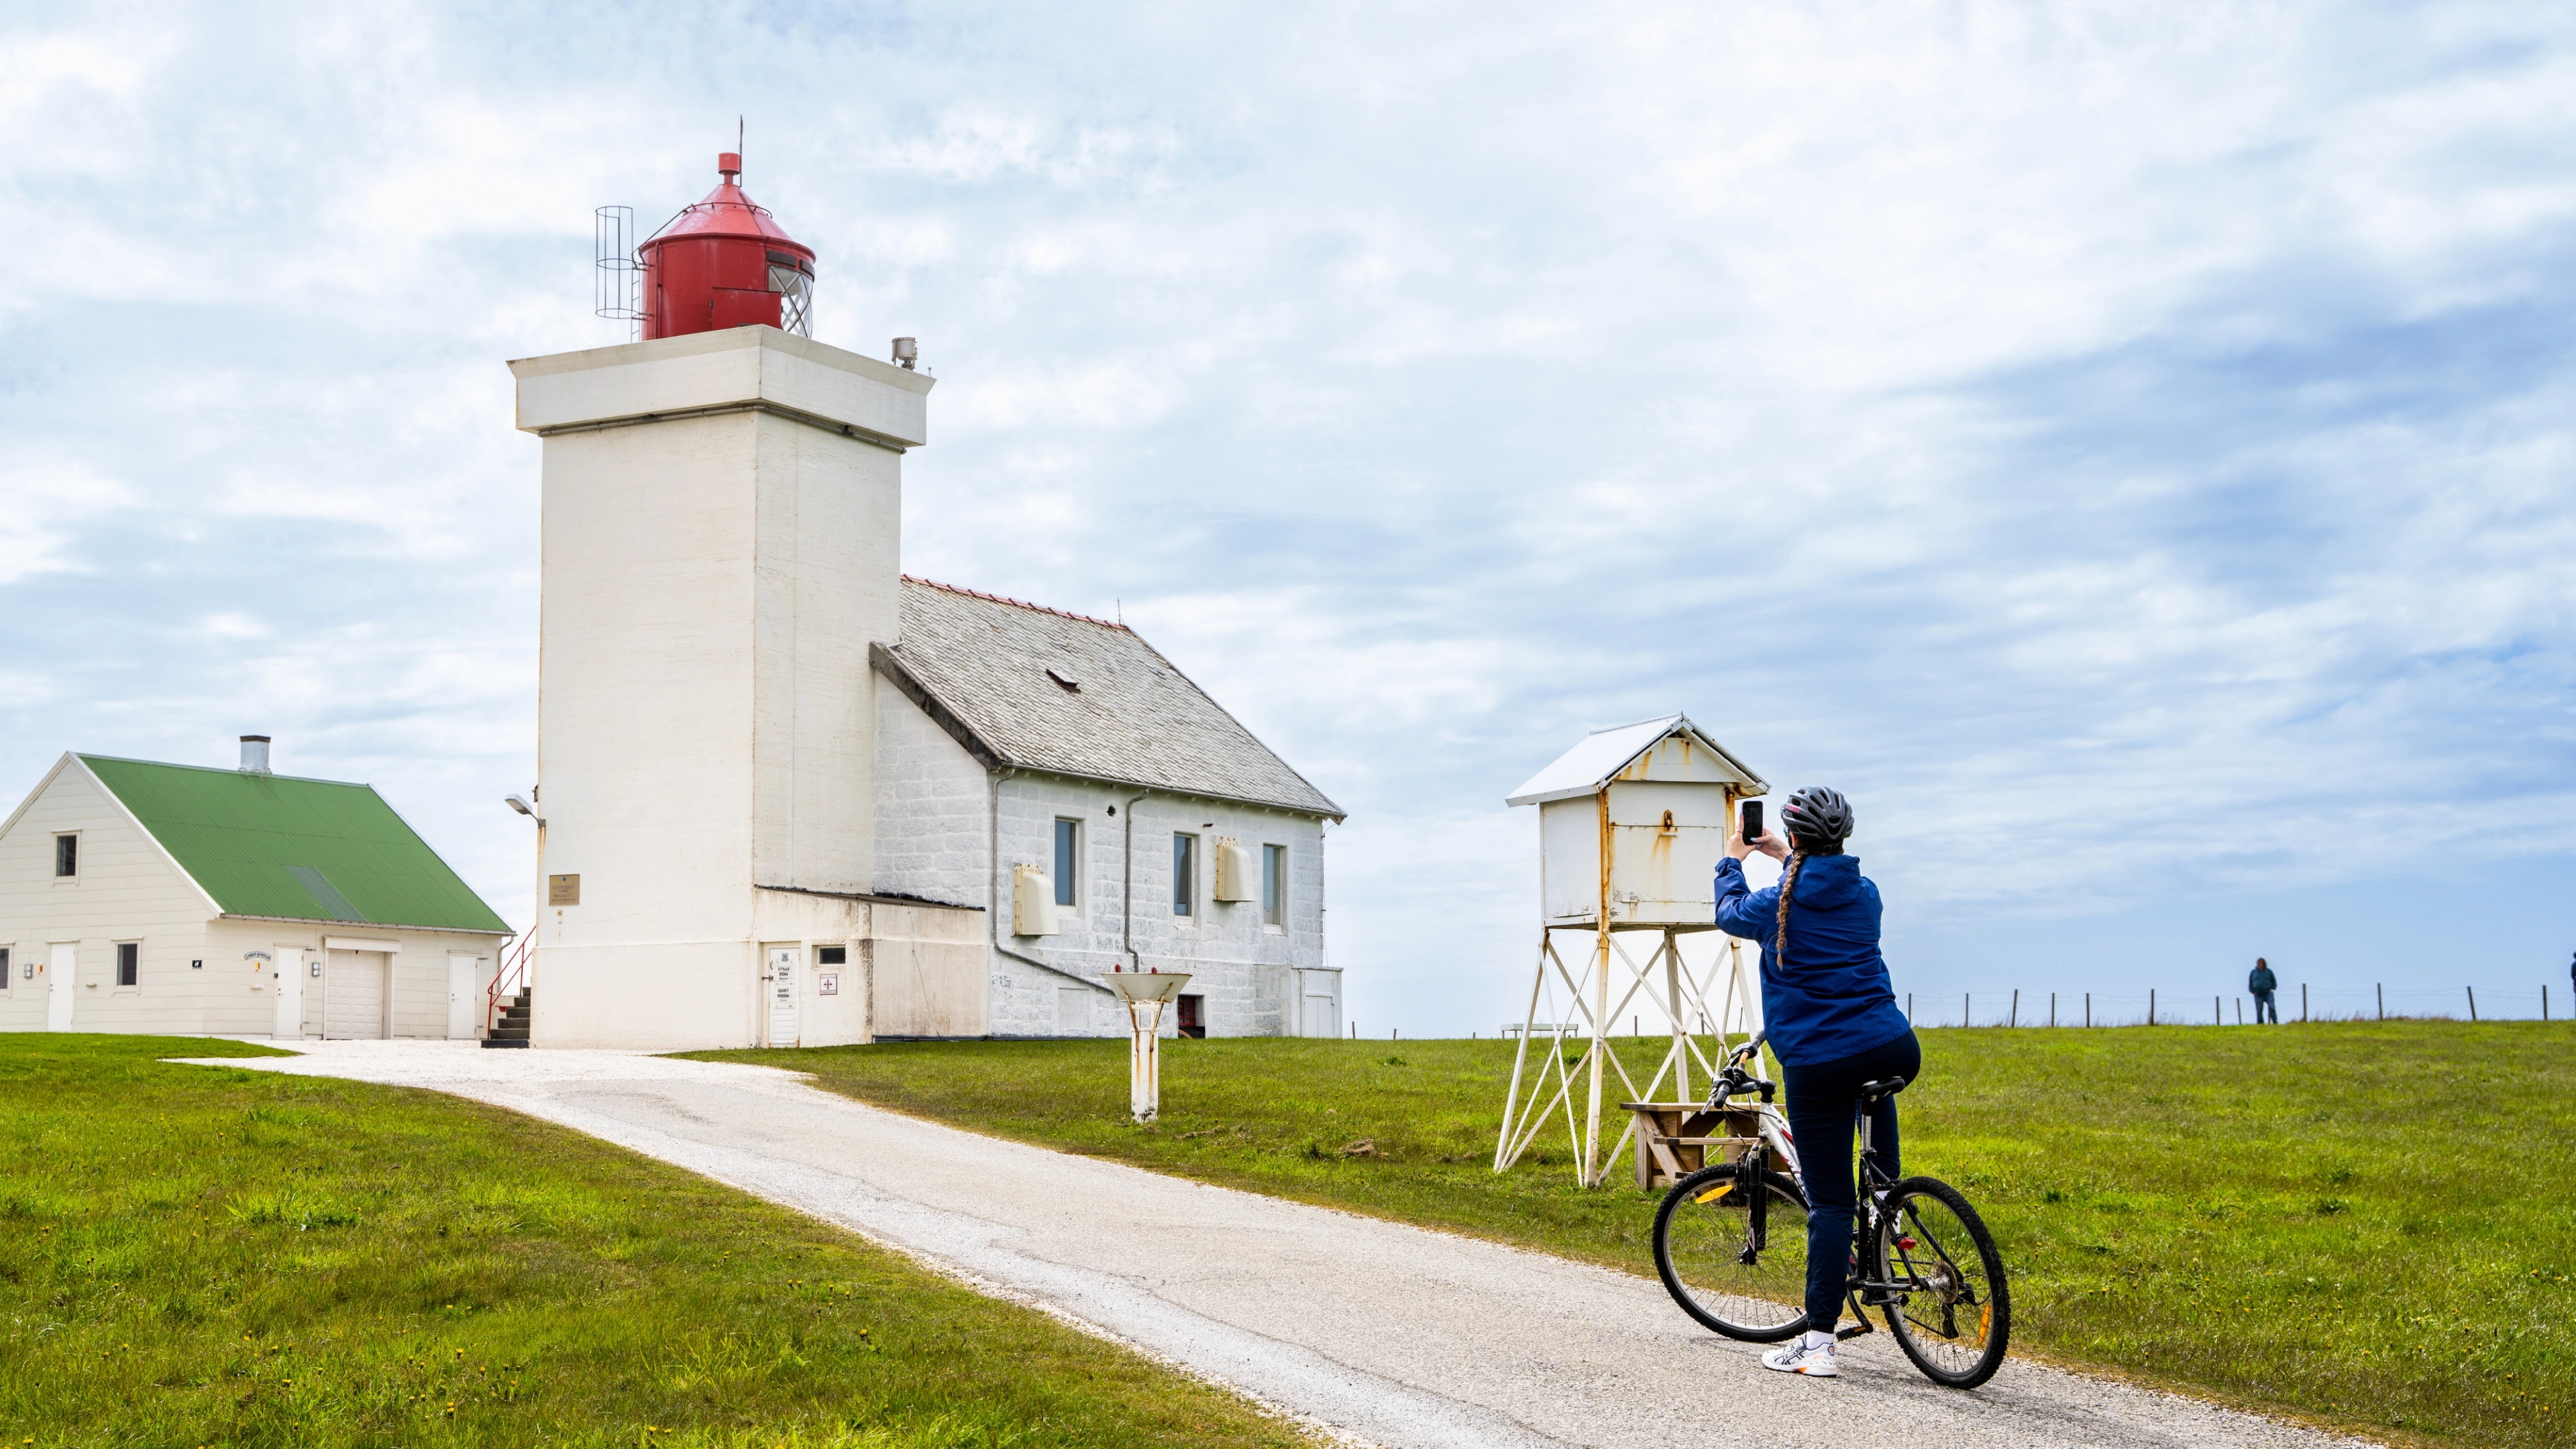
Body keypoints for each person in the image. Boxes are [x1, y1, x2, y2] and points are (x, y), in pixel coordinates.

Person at [1715, 786, 1917, 1379]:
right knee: (1874, 1085)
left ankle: (1819, 1345)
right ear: (1842, 839)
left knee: (1829, 1204)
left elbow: (1730, 913)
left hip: (1819, 1059)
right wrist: (1787, 856)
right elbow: (1821, 892)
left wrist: (1733, 859)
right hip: (1893, 1044)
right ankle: (1888, 1202)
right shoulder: (1867, 893)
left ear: (1797, 837)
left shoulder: (1777, 903)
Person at [2249, 958, 2279, 1024]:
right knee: (2259, 1010)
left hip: (2268, 993)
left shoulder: (2269, 972)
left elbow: (2274, 981)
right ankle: (2261, 1024)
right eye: (2258, 963)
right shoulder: (2253, 972)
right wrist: (2252, 991)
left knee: (2272, 1007)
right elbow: (2250, 983)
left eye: (2260, 963)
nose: (2259, 964)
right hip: (2258, 994)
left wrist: (2273, 988)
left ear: (2264, 964)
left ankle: (2275, 1022)